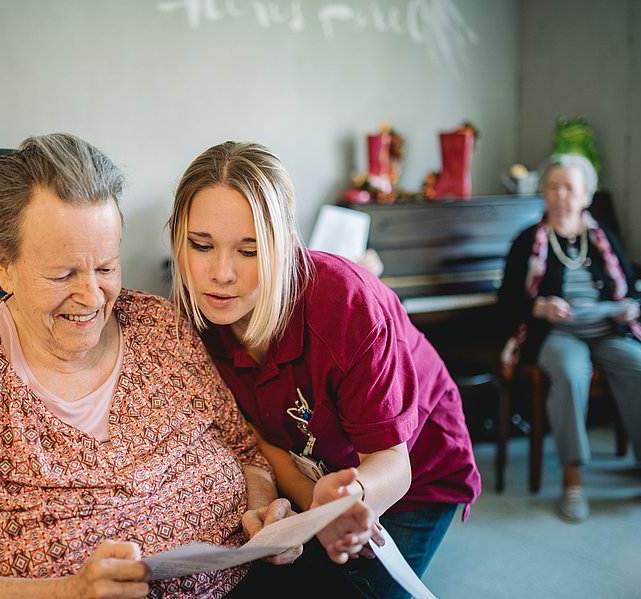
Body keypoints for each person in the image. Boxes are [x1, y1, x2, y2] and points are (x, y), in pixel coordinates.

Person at [0, 133, 324, 599]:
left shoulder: (162, 326)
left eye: (107, 268)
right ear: (3, 265)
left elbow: (245, 453)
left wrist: (261, 515)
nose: (93, 298)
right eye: (62, 274)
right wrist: (69, 591)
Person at [167, 141, 481, 598]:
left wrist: (342, 504)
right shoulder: (197, 318)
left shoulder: (346, 305)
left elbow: (392, 464)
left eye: (249, 251)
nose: (220, 273)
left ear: (286, 246)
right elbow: (267, 439)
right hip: (322, 467)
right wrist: (310, 509)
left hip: (416, 468)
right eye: (201, 245)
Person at [498, 152, 641, 522]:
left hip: (607, 331)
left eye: (569, 188)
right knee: (571, 373)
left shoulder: (603, 238)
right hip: (556, 335)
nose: (561, 196)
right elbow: (507, 301)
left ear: (587, 195)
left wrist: (630, 308)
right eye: (553, 187)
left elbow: (630, 291)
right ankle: (573, 477)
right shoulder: (528, 240)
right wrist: (538, 307)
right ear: (543, 193)